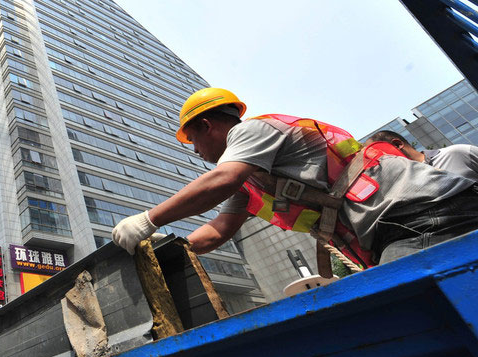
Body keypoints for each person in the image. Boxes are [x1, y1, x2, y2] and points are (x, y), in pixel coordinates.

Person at [112, 88, 478, 266]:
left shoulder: (251, 132)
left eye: (192, 140)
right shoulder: (252, 178)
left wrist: (148, 219)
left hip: (421, 214)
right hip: (398, 227)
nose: (195, 152)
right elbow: (220, 229)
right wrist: (171, 247)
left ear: (207, 126)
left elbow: (219, 181)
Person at [366, 130, 478, 183]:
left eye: (379, 155)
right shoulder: (404, 187)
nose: (378, 163)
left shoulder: (458, 153)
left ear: (397, 144)